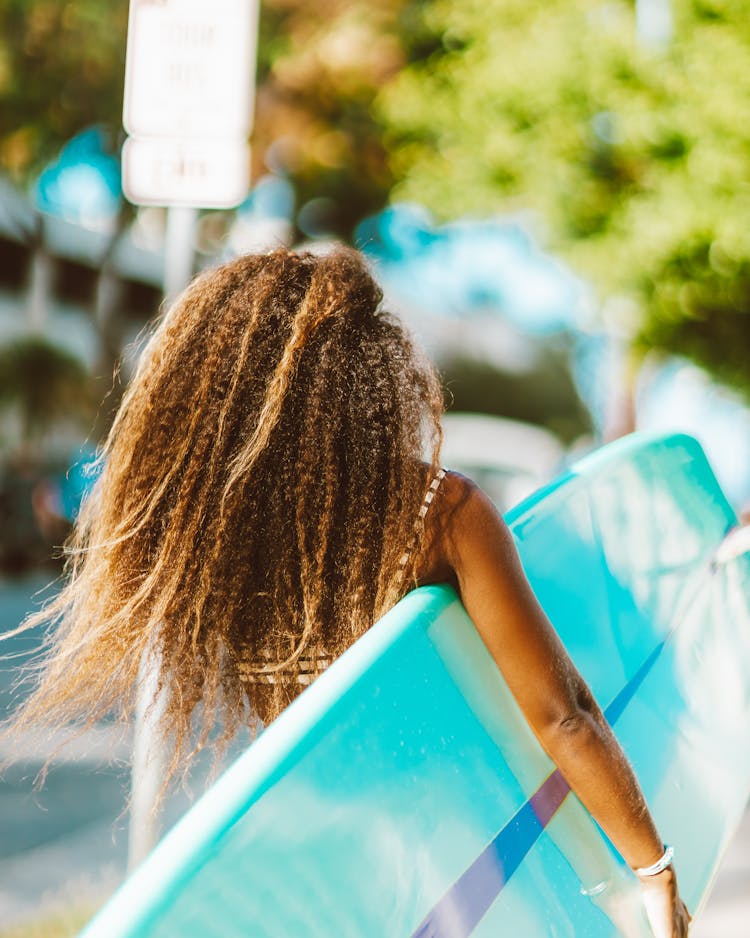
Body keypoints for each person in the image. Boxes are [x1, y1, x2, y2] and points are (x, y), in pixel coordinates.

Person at [4, 247, 689, 936]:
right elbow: (564, 716)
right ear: (362, 374)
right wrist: (652, 873)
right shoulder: (434, 512)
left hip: (326, 870)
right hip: (468, 853)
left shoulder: (217, 544)